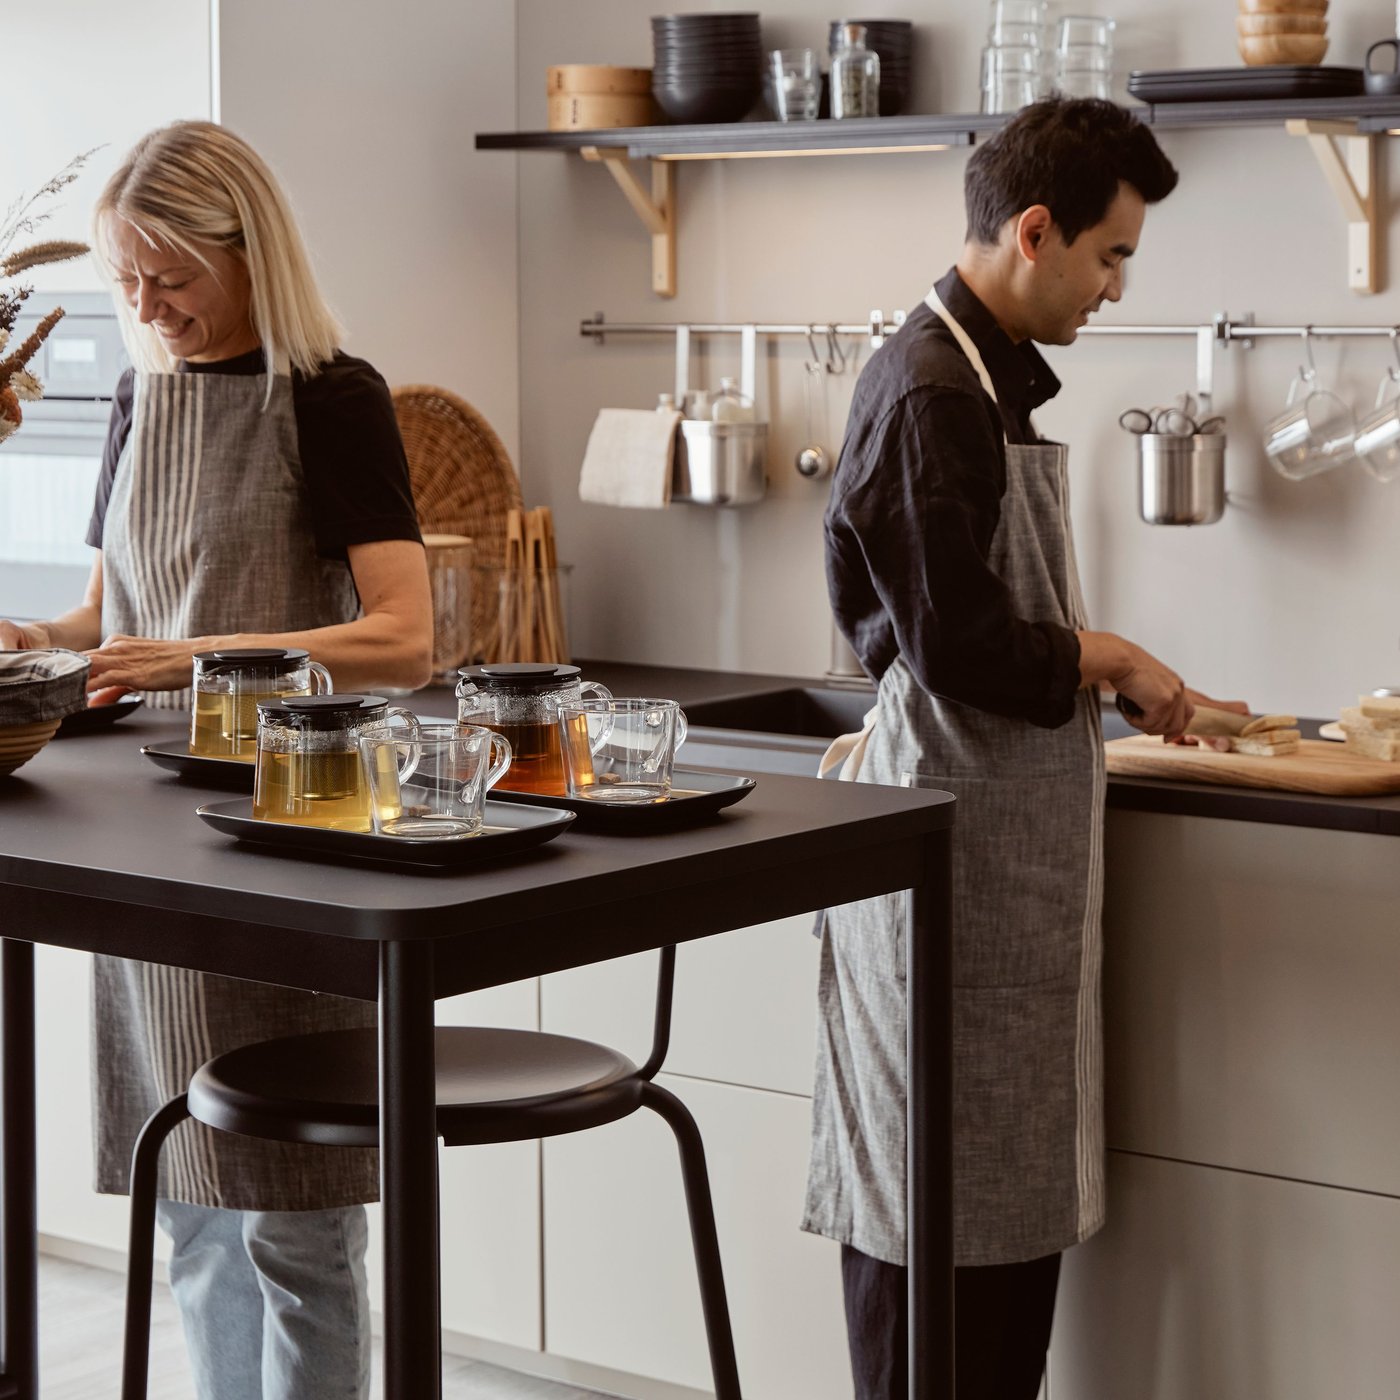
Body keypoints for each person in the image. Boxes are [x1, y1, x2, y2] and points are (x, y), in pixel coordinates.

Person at [802, 98, 1246, 1400]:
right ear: (1034, 230)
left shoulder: (981, 379)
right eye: (1111, 257)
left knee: (992, 1266)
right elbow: (953, 646)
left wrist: (1101, 670)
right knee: (929, 1256)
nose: (1115, 288)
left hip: (997, 865)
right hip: (947, 851)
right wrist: (1107, 658)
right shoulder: (931, 388)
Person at [0, 121, 432, 1400]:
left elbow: (403, 641)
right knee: (189, 1202)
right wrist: (38, 638)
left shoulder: (335, 396)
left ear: (251, 253)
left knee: (297, 1219)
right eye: (126, 281)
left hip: (297, 834)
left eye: (169, 278)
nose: (146, 307)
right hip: (152, 842)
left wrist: (193, 658)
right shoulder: (141, 390)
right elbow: (105, 617)